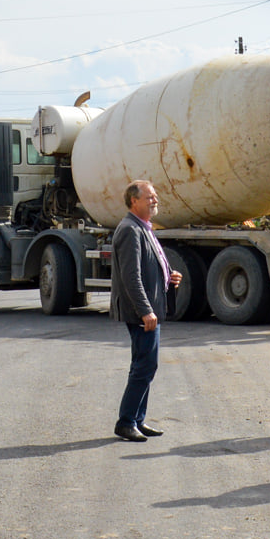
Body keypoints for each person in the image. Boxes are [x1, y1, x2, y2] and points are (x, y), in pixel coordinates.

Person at [109, 179, 182, 443]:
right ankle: (126, 422)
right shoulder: (130, 229)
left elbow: (149, 264)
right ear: (134, 201)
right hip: (141, 312)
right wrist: (145, 311)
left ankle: (137, 420)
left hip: (149, 309)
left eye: (155, 196)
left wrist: (169, 276)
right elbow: (131, 276)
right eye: (149, 196)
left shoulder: (143, 227)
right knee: (145, 365)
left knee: (145, 364)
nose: (155, 200)